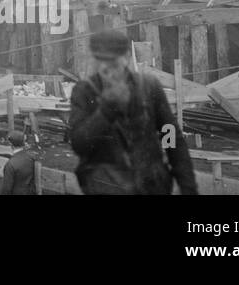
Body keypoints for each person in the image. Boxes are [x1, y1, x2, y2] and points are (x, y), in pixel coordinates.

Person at [68, 28, 197, 195]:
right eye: (101, 62)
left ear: (127, 57)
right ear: (94, 59)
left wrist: (188, 187)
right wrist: (106, 109)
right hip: (106, 188)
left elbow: (171, 137)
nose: (107, 70)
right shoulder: (84, 91)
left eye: (113, 62)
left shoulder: (149, 87)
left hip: (152, 186)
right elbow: (79, 145)